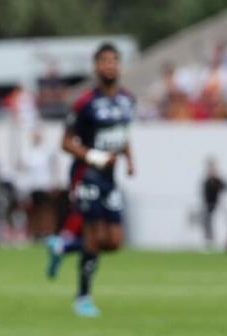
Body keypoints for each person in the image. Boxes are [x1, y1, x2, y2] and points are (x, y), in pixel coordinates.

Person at [59, 42, 135, 317]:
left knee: (114, 241)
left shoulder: (127, 99)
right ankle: (83, 297)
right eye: (104, 61)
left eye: (113, 60)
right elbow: (66, 142)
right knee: (93, 237)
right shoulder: (84, 103)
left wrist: (130, 159)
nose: (109, 65)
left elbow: (122, 134)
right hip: (87, 175)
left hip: (110, 179)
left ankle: (65, 245)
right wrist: (94, 157)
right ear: (96, 66)